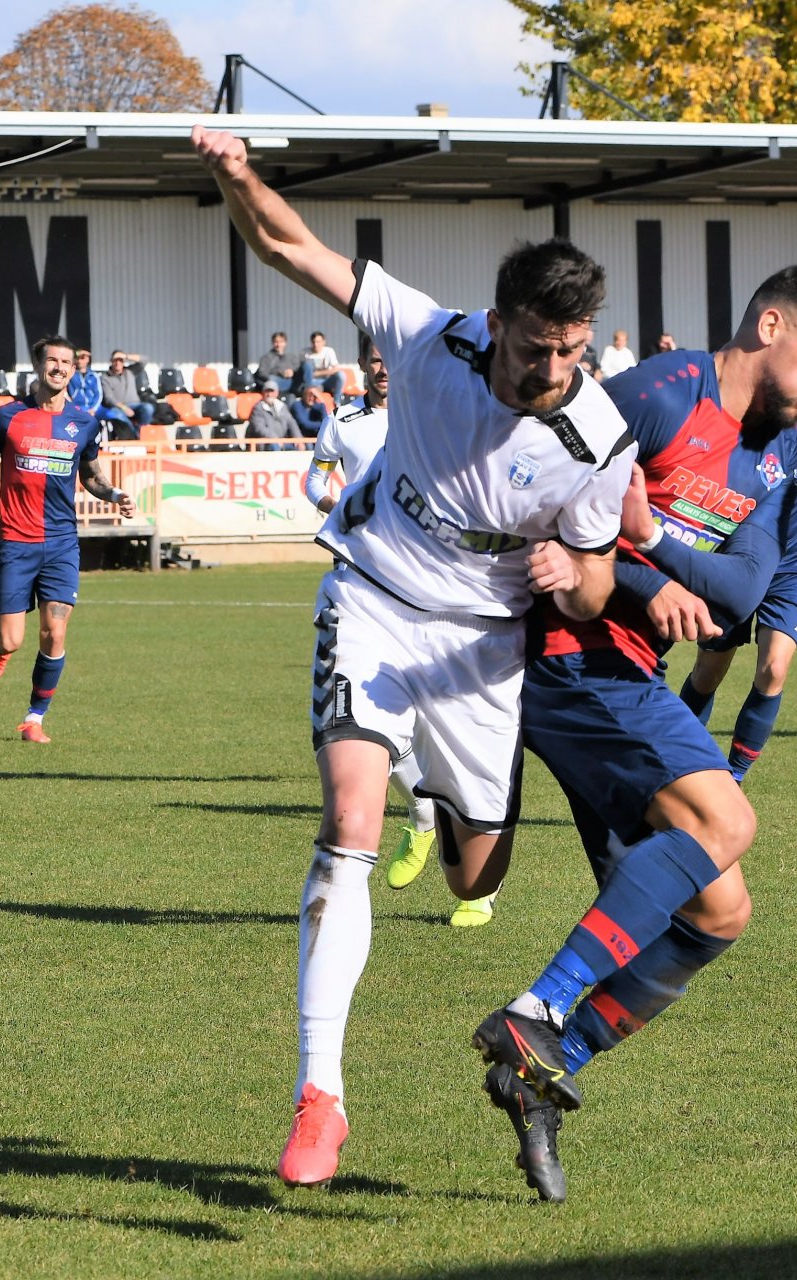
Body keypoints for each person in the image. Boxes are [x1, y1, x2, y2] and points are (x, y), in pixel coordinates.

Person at [191, 124, 634, 1193]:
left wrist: (567, 582)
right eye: (539, 349)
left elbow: (603, 575)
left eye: (574, 351)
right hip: (376, 600)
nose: (555, 370)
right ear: (498, 325)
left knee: (477, 871)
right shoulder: (431, 336)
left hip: (482, 652)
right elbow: (296, 251)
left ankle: (433, 784)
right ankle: (319, 1094)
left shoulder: (599, 435)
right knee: (347, 822)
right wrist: (239, 176)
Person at [485, 266, 797, 1202]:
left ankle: (542, 1067)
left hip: (625, 674)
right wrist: (641, 574)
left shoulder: (783, 450)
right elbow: (548, 504)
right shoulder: (661, 394)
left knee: (719, 911)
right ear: (769, 323)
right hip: (569, 659)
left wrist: (650, 541)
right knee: (727, 823)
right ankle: (535, 1008)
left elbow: (740, 595)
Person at [301, 344, 477, 925]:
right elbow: (315, 475)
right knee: (369, 718)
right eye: (372, 360)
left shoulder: (433, 413)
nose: (382, 368)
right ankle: (425, 818)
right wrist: (335, 500)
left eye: (388, 359)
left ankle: (480, 884)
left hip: (434, 587)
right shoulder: (345, 420)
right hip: (359, 578)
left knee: (455, 731)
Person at [0, 334, 137, 744]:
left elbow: (93, 477)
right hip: (16, 540)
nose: (59, 367)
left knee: (55, 633)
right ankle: (0, 648)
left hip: (62, 543)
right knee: (12, 638)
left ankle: (34, 719)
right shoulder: (7, 416)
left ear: (74, 369)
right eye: (52, 361)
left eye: (67, 362)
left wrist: (114, 494)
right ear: (38, 365)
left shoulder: (84, 422)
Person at [678, 400, 797, 783]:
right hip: (740, 560)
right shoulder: (752, 412)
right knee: (708, 672)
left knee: (774, 669)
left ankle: (733, 779)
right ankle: (671, 767)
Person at [98, 350, 153, 438]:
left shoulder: (130, 371)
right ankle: (134, 435)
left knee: (148, 408)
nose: (118, 363)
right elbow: (109, 398)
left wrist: (127, 356)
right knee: (115, 414)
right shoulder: (105, 377)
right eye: (115, 360)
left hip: (136, 405)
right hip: (118, 407)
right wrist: (124, 408)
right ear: (111, 361)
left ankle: (140, 431)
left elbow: (144, 360)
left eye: (120, 360)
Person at [244, 383, 298, 449]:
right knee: (274, 446)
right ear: (262, 393)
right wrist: (275, 439)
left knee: (303, 445)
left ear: (277, 393)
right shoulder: (257, 408)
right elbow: (259, 429)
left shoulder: (282, 406)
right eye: (267, 391)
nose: (269, 394)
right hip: (265, 442)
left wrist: (298, 439)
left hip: (281, 440)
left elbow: (292, 424)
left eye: (272, 391)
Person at [298, 330, 345, 399]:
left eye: (318, 342)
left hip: (327, 380)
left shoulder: (329, 351)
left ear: (323, 342)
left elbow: (336, 368)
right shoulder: (305, 352)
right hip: (312, 382)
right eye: (313, 342)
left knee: (341, 375)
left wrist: (317, 373)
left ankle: (337, 400)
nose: (316, 344)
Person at [67, 348, 103, 416]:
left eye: (82, 358)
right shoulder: (70, 374)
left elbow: (98, 394)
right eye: (77, 358)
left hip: (94, 407)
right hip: (77, 407)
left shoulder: (94, 376)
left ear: (88, 359)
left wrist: (93, 409)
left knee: (113, 415)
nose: (79, 361)